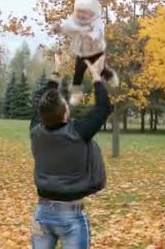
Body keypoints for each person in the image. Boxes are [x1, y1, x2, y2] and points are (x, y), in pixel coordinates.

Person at [29, 53, 111, 248]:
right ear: (65, 114)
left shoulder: (35, 131)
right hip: (70, 216)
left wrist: (56, 71)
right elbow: (103, 108)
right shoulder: (77, 133)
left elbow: (42, 102)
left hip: (41, 213)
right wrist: (95, 75)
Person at [54, 0, 118, 106]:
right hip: (81, 52)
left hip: (96, 51)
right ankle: (76, 93)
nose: (81, 15)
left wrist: (90, 35)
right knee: (78, 72)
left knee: (100, 70)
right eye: (79, 12)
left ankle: (110, 75)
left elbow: (98, 33)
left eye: (85, 12)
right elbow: (67, 28)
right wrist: (59, 29)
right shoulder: (73, 20)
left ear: (93, 12)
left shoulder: (97, 21)